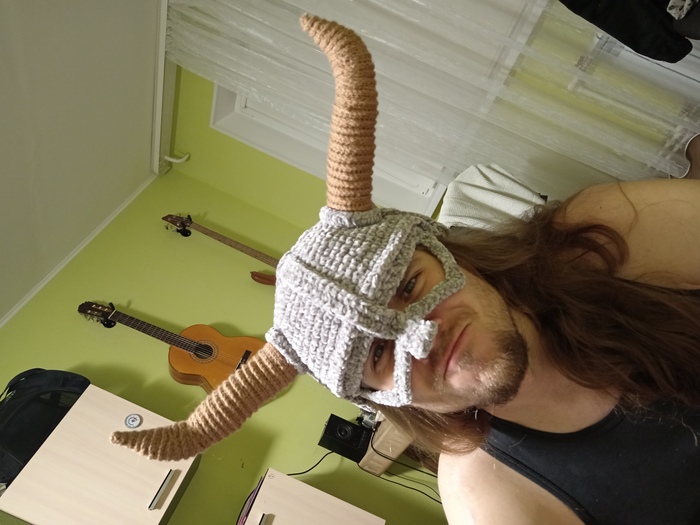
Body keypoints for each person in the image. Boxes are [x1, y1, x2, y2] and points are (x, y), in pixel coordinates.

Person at [110, 15, 700, 524]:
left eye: (409, 285)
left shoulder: (608, 235)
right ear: (379, 399)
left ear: (447, 254)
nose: (422, 333)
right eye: (377, 354)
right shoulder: (490, 495)